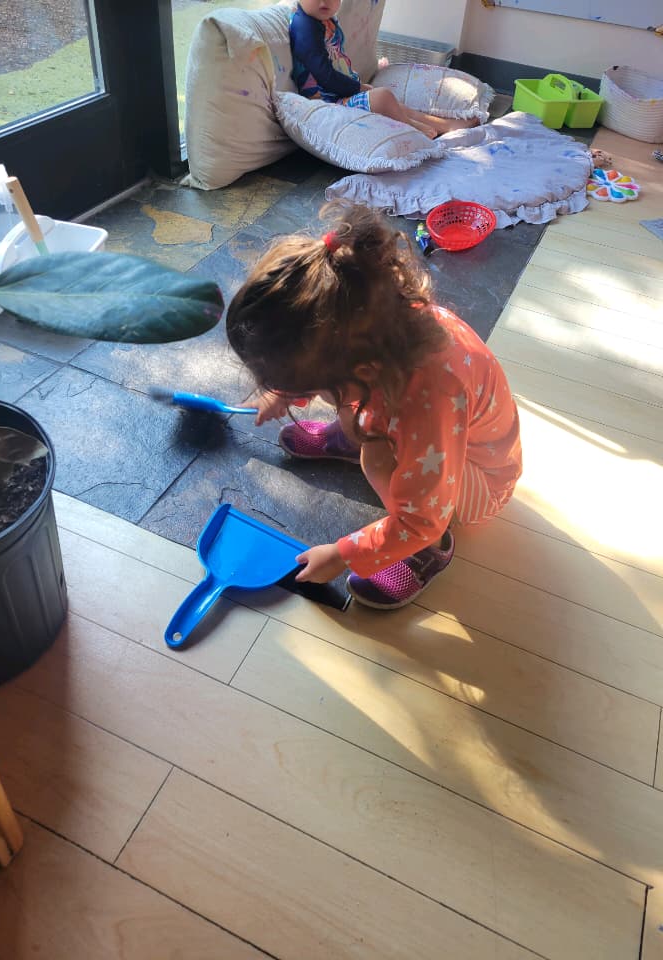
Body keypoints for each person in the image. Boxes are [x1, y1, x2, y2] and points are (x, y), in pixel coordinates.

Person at [226, 203, 523, 609]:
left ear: (361, 370)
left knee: (377, 460)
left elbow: (421, 516)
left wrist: (343, 554)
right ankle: (363, 433)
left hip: (479, 481)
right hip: (424, 426)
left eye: (314, 390)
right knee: (365, 422)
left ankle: (432, 550)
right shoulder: (371, 321)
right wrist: (283, 391)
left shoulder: (428, 396)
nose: (310, 397)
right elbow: (325, 360)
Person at [289, 0, 478, 139]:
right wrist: (357, 87)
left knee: (390, 101)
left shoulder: (323, 19)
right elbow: (324, 76)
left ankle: (444, 125)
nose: (324, 1)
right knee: (383, 97)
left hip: (338, 92)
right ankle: (413, 128)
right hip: (325, 103)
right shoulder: (305, 27)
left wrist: (357, 85)